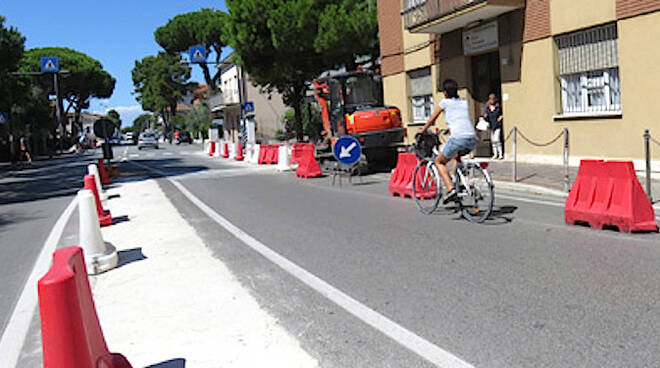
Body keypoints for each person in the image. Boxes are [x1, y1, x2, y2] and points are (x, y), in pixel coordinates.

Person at [419, 79, 477, 203]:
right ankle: (458, 182)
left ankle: (451, 189)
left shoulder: (444, 103)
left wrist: (422, 130)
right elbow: (459, 118)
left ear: (445, 93)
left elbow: (432, 119)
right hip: (472, 138)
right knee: (456, 156)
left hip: (458, 138)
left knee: (439, 161)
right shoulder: (464, 102)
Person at [484, 93, 503, 160]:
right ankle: (495, 154)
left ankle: (500, 154)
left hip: (497, 125)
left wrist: (501, 117)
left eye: (493, 99)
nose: (491, 100)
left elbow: (501, 114)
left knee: (497, 139)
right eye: (490, 99)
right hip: (491, 125)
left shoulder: (498, 107)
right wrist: (485, 117)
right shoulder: (487, 108)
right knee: (493, 141)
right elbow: (486, 117)